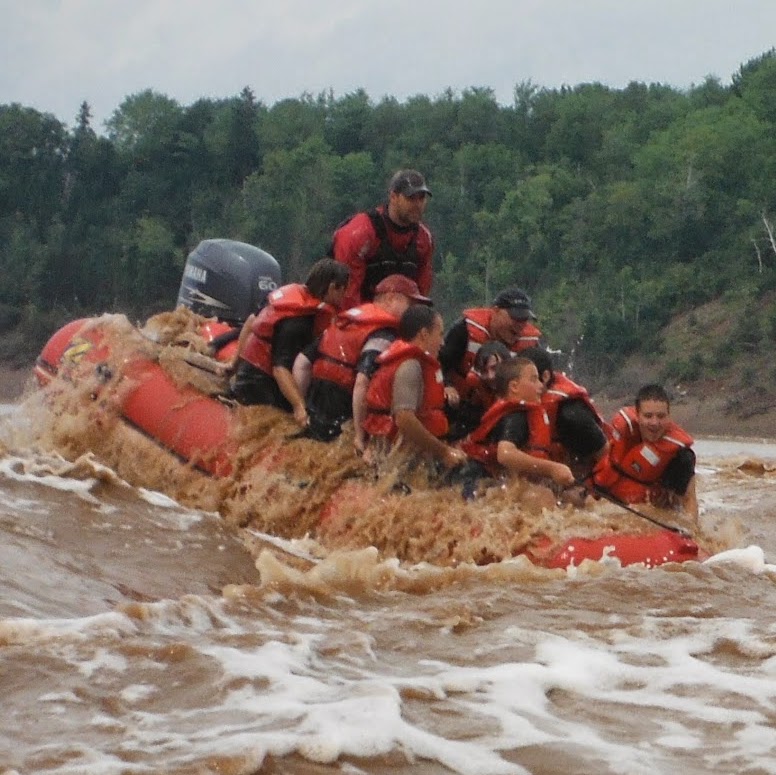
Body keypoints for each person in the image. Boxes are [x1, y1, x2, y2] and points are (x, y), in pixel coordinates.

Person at [293, 274, 432, 444]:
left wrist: (300, 406)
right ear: (390, 298)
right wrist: (359, 436)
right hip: (343, 405)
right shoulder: (384, 334)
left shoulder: (345, 321)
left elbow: (302, 363)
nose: (412, 311)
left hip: (316, 400)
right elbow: (362, 382)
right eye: (410, 304)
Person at [230, 258, 349, 426]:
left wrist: (234, 364)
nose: (345, 297)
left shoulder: (290, 296)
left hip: (247, 372)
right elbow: (280, 369)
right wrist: (299, 407)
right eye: (343, 290)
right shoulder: (299, 322)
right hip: (258, 383)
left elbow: (250, 321)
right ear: (332, 288)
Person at [459, 357, 576, 508]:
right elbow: (505, 454)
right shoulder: (515, 418)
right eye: (534, 380)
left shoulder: (523, 414)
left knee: (568, 497)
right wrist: (552, 468)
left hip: (482, 479)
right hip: (473, 480)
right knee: (543, 498)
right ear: (514, 387)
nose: (541, 385)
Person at [362, 304, 466, 471]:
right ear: (424, 334)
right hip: (401, 459)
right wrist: (445, 452)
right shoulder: (410, 366)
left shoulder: (406, 362)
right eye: (439, 334)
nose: (443, 342)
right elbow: (404, 419)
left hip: (395, 454)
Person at [330, 169, 434, 309]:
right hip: (358, 313)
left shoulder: (424, 239)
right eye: (410, 198)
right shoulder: (360, 233)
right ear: (393, 197)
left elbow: (422, 293)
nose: (417, 205)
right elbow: (346, 294)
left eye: (421, 198)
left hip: (398, 316)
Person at [592, 384, 698, 519]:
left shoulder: (681, 456)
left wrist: (690, 532)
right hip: (602, 502)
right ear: (637, 415)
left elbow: (689, 501)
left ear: (669, 417)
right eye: (648, 416)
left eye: (661, 416)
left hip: (646, 515)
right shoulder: (623, 430)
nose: (654, 423)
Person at [438, 286, 543, 403]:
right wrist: (447, 385)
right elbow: (441, 361)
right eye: (516, 318)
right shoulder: (465, 330)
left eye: (524, 319)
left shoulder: (530, 345)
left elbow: (543, 379)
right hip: (459, 401)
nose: (520, 325)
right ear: (496, 311)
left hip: (502, 407)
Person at [521, 347, 609, 477]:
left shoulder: (573, 416)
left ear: (545, 377)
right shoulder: (517, 405)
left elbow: (607, 459)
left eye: (527, 380)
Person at [446, 340, 512, 441]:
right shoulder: (473, 387)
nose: (490, 376)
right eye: (484, 371)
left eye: (495, 368)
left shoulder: (520, 390)